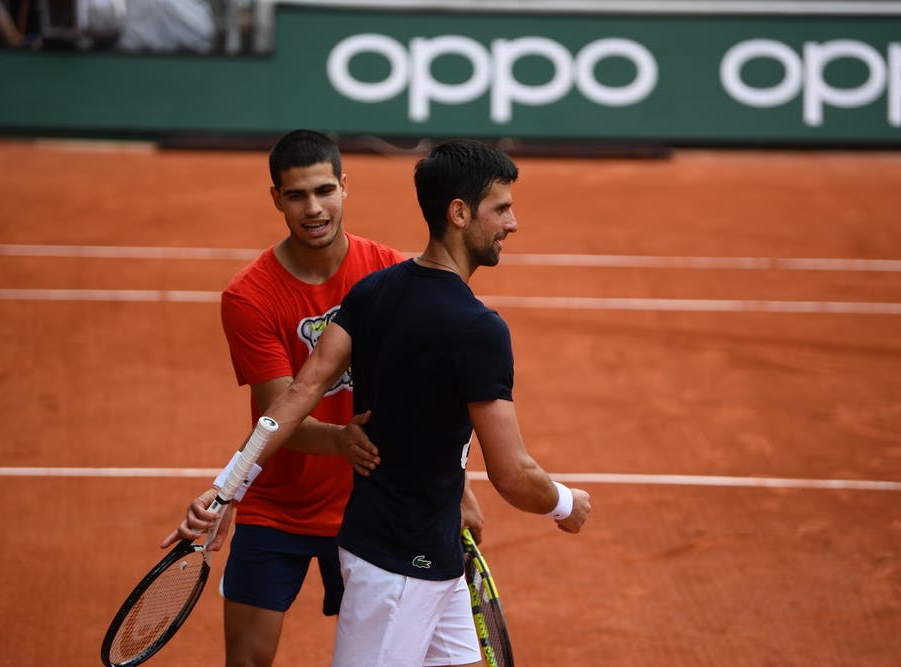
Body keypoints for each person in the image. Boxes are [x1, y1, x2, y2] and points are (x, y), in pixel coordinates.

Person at [173, 138, 592, 667]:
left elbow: (301, 393)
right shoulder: (479, 328)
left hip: (425, 544)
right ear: (459, 213)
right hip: (397, 559)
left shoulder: (375, 290)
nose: (513, 223)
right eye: (503, 209)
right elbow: (512, 474)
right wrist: (563, 502)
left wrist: (226, 486)